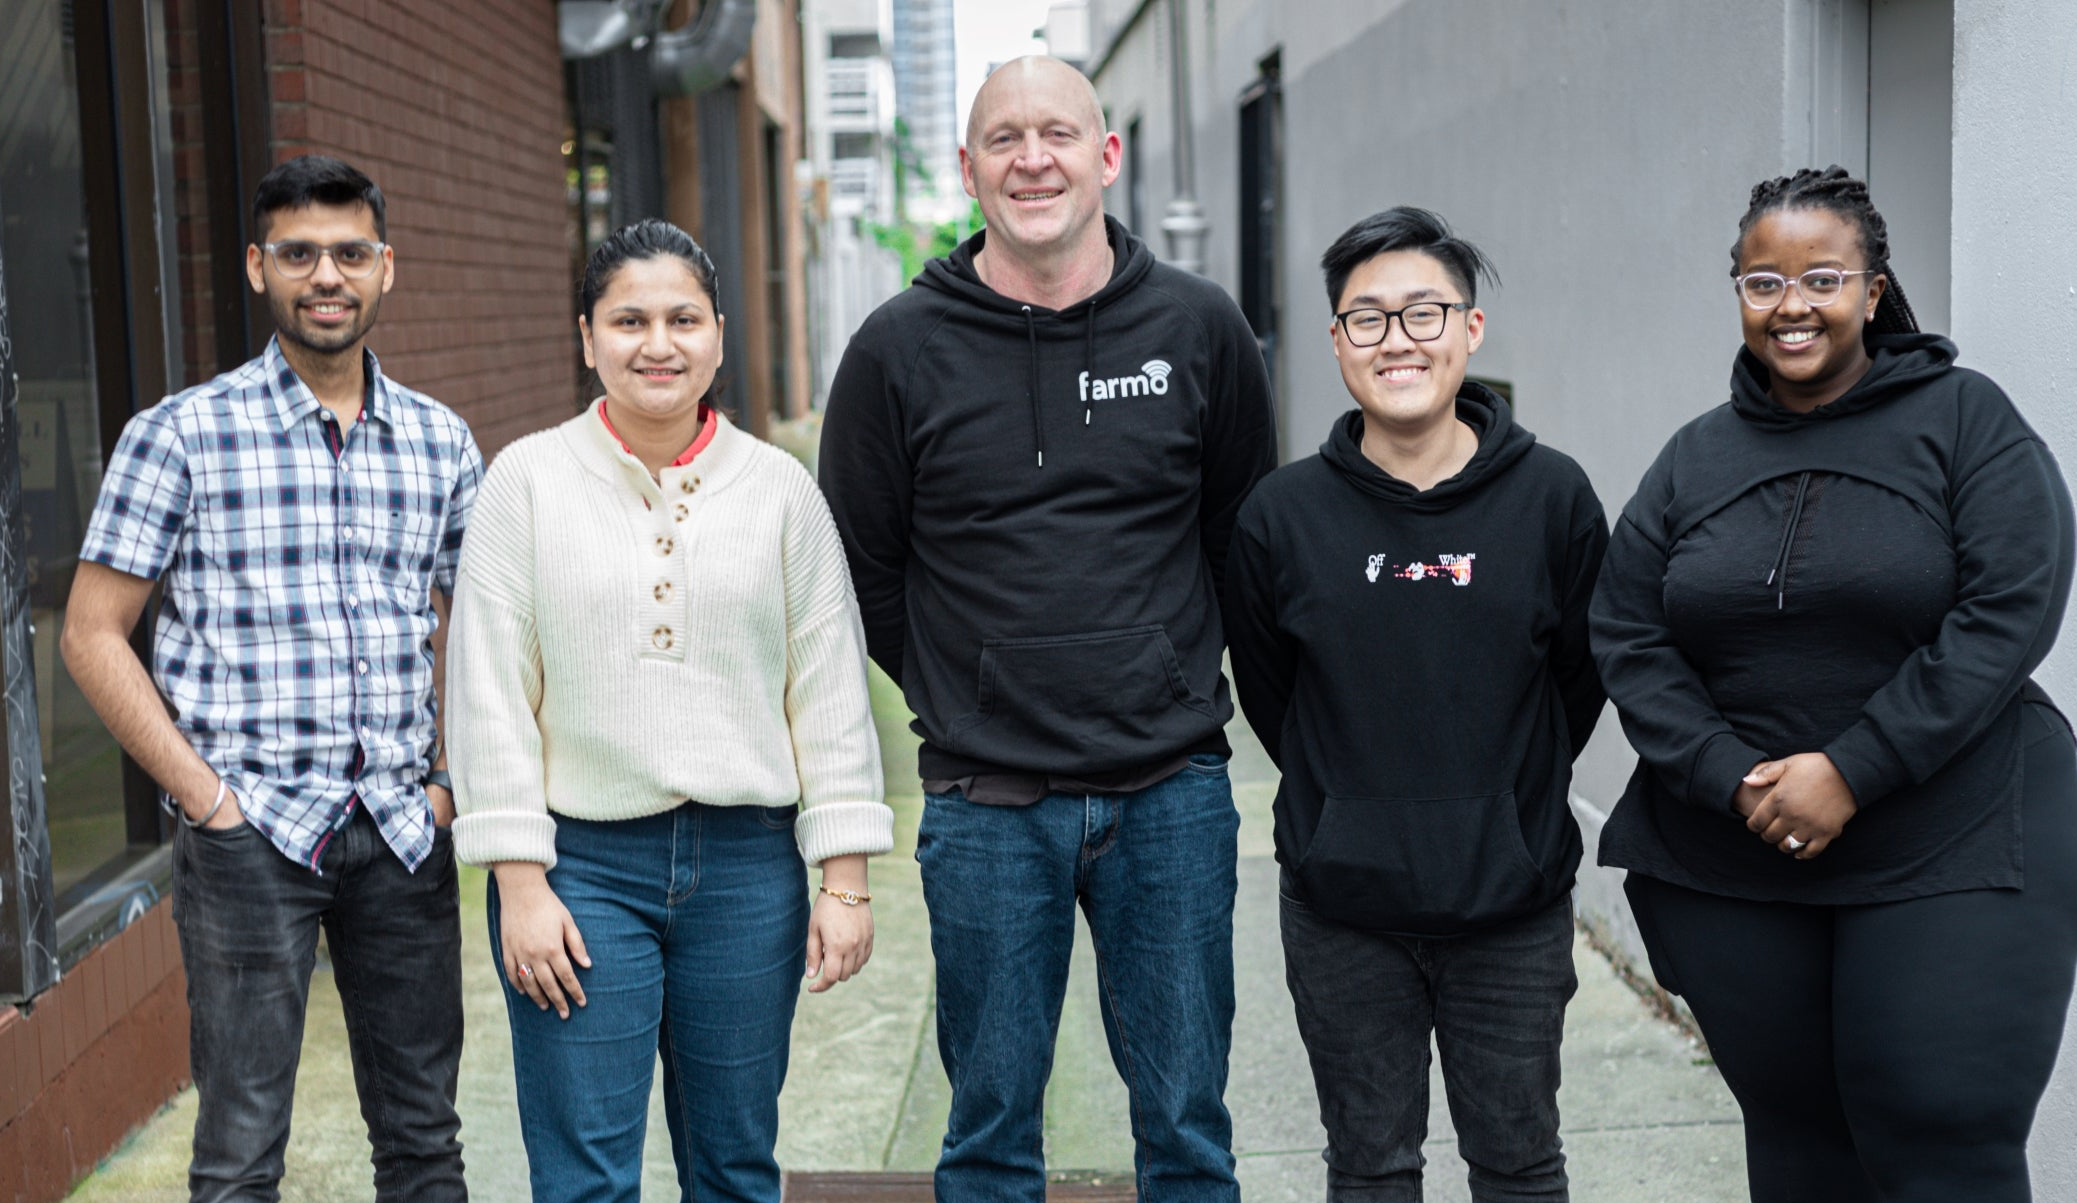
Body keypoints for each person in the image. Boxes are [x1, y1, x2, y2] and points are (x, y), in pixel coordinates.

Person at [817, 54, 1277, 1203]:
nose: (1034, 159)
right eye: (1005, 139)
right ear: (969, 169)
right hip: (985, 806)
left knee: (1186, 1132)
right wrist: (963, 687)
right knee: (986, 1138)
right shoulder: (894, 351)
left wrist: (1165, 670)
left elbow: (1241, 539)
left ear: (1106, 154)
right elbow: (861, 569)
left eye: (1059, 134)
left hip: (1169, 791)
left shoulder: (1199, 327)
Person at [1592, 166, 2077, 1203]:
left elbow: (2009, 608)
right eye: (1762, 282)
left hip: (1955, 835)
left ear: (1872, 291)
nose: (1791, 307)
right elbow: (1626, 628)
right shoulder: (1695, 457)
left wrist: (1852, 769)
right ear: (1736, 293)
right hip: (1732, 853)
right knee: (1798, 1149)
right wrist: (1732, 776)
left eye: (1820, 278)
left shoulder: (1965, 421)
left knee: (1938, 1140)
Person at [445, 218, 892, 1203]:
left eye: (683, 318)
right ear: (587, 337)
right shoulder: (524, 483)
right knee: (585, 1181)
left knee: (733, 1169)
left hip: (746, 873)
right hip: (580, 871)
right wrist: (520, 884)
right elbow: (489, 697)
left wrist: (844, 879)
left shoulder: (780, 491)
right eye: (630, 319)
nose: (658, 343)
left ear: (719, 336)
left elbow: (826, 690)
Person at [61, 155, 479, 1202]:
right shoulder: (180, 435)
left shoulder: (440, 442)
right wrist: (207, 800)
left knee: (425, 1140)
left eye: (348, 253)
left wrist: (448, 782)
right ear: (257, 267)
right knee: (242, 1150)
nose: (325, 275)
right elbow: (90, 633)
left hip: (400, 826)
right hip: (249, 836)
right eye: (298, 254)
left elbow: (482, 628)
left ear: (388, 267)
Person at [1221, 207, 1605, 1202]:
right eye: (1367, 318)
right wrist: (1346, 813)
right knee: (1370, 1168)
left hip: (1509, 907)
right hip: (1342, 908)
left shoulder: (1554, 500)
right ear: (1338, 341)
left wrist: (1508, 820)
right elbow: (1275, 699)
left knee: (1519, 1164)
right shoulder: (1280, 517)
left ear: (1469, 331)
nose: (1397, 340)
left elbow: (1576, 682)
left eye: (1423, 313)